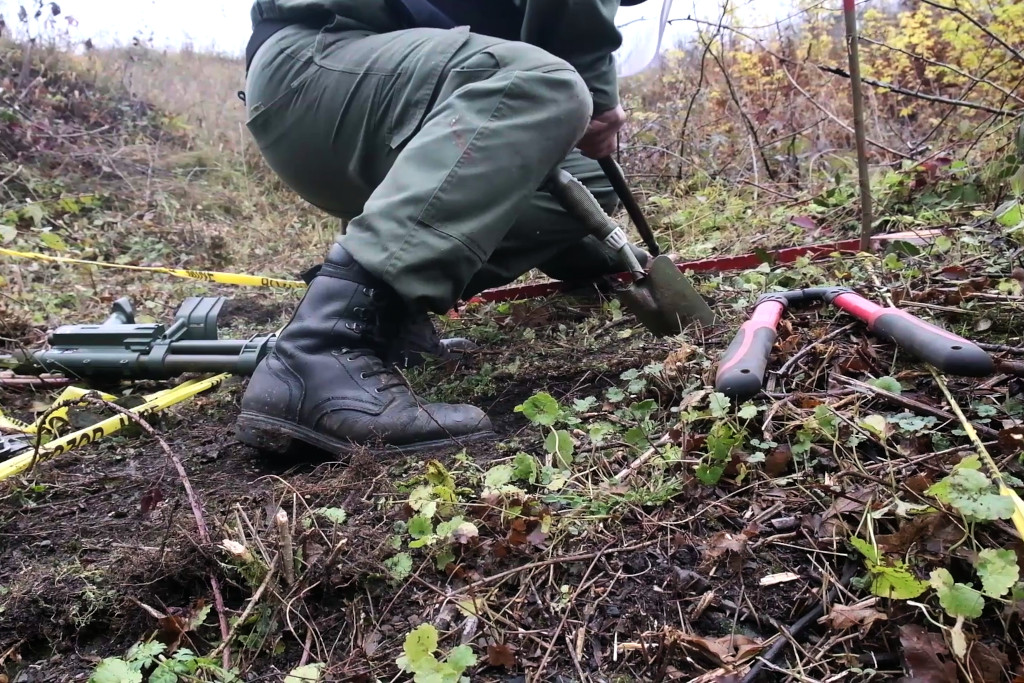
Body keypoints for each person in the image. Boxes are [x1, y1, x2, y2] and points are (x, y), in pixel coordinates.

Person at [236, 0, 650, 457]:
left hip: (362, 99)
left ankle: (389, 322)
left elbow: (512, 155)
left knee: (585, 177)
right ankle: (318, 350)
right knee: (544, 84)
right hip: (318, 63)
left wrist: (602, 253)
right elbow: (556, 65)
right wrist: (595, 95)